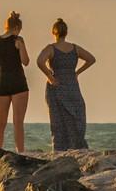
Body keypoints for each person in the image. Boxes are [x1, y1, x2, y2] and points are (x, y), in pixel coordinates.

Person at [37, 17, 95, 152]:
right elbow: (91, 59)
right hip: (72, 85)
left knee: (57, 118)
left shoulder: (51, 48)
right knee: (76, 114)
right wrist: (77, 72)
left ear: (53, 32)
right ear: (66, 32)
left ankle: (59, 148)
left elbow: (40, 61)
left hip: (56, 85)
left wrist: (50, 76)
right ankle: (76, 145)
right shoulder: (74, 48)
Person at [0, 11, 31, 153]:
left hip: (2, 82)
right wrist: (21, 47)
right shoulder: (18, 40)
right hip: (18, 82)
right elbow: (26, 61)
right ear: (17, 28)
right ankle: (20, 151)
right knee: (18, 122)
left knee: (0, 122)